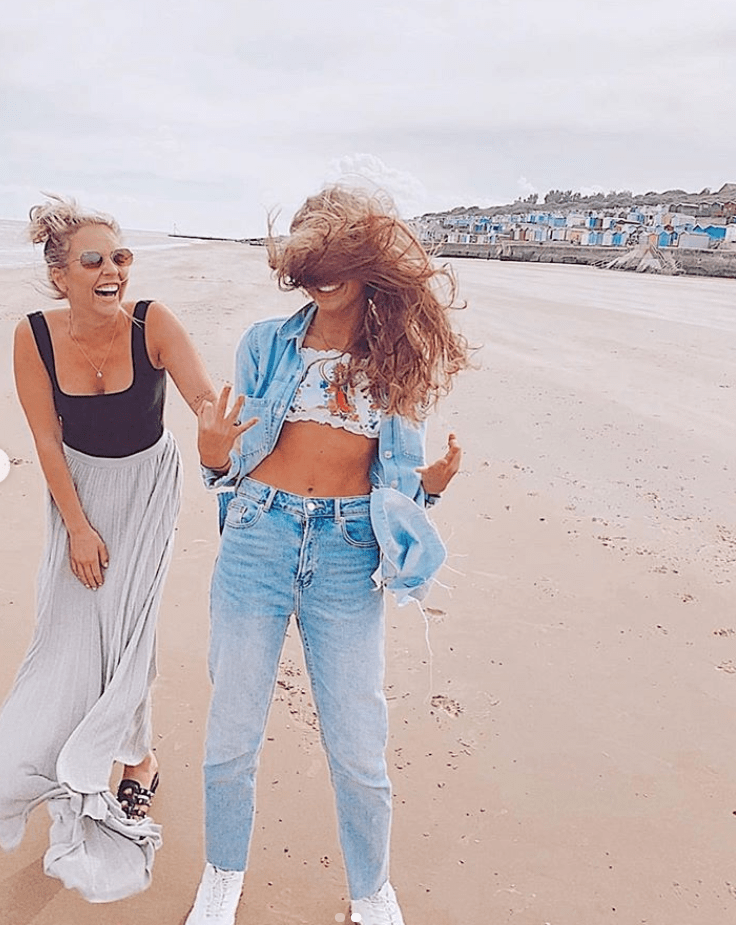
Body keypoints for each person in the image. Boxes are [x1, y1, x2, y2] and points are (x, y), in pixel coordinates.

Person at [188, 186, 470, 924]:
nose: (321, 273)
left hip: (347, 552)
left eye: (336, 257)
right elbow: (234, 456)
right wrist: (215, 456)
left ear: (366, 263)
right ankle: (222, 875)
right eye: (309, 258)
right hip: (259, 533)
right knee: (232, 731)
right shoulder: (264, 343)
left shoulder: (397, 359)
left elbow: (397, 483)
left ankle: (371, 888)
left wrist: (427, 489)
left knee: (357, 741)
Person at [0, 195, 222, 902]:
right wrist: (79, 528)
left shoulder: (152, 323)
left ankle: (136, 762)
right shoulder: (30, 336)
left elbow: (205, 403)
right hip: (78, 494)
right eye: (93, 260)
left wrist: (225, 433)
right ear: (59, 275)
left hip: (148, 491)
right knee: (66, 638)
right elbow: (43, 439)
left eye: (120, 257)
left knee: (128, 638)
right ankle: (71, 758)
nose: (112, 271)